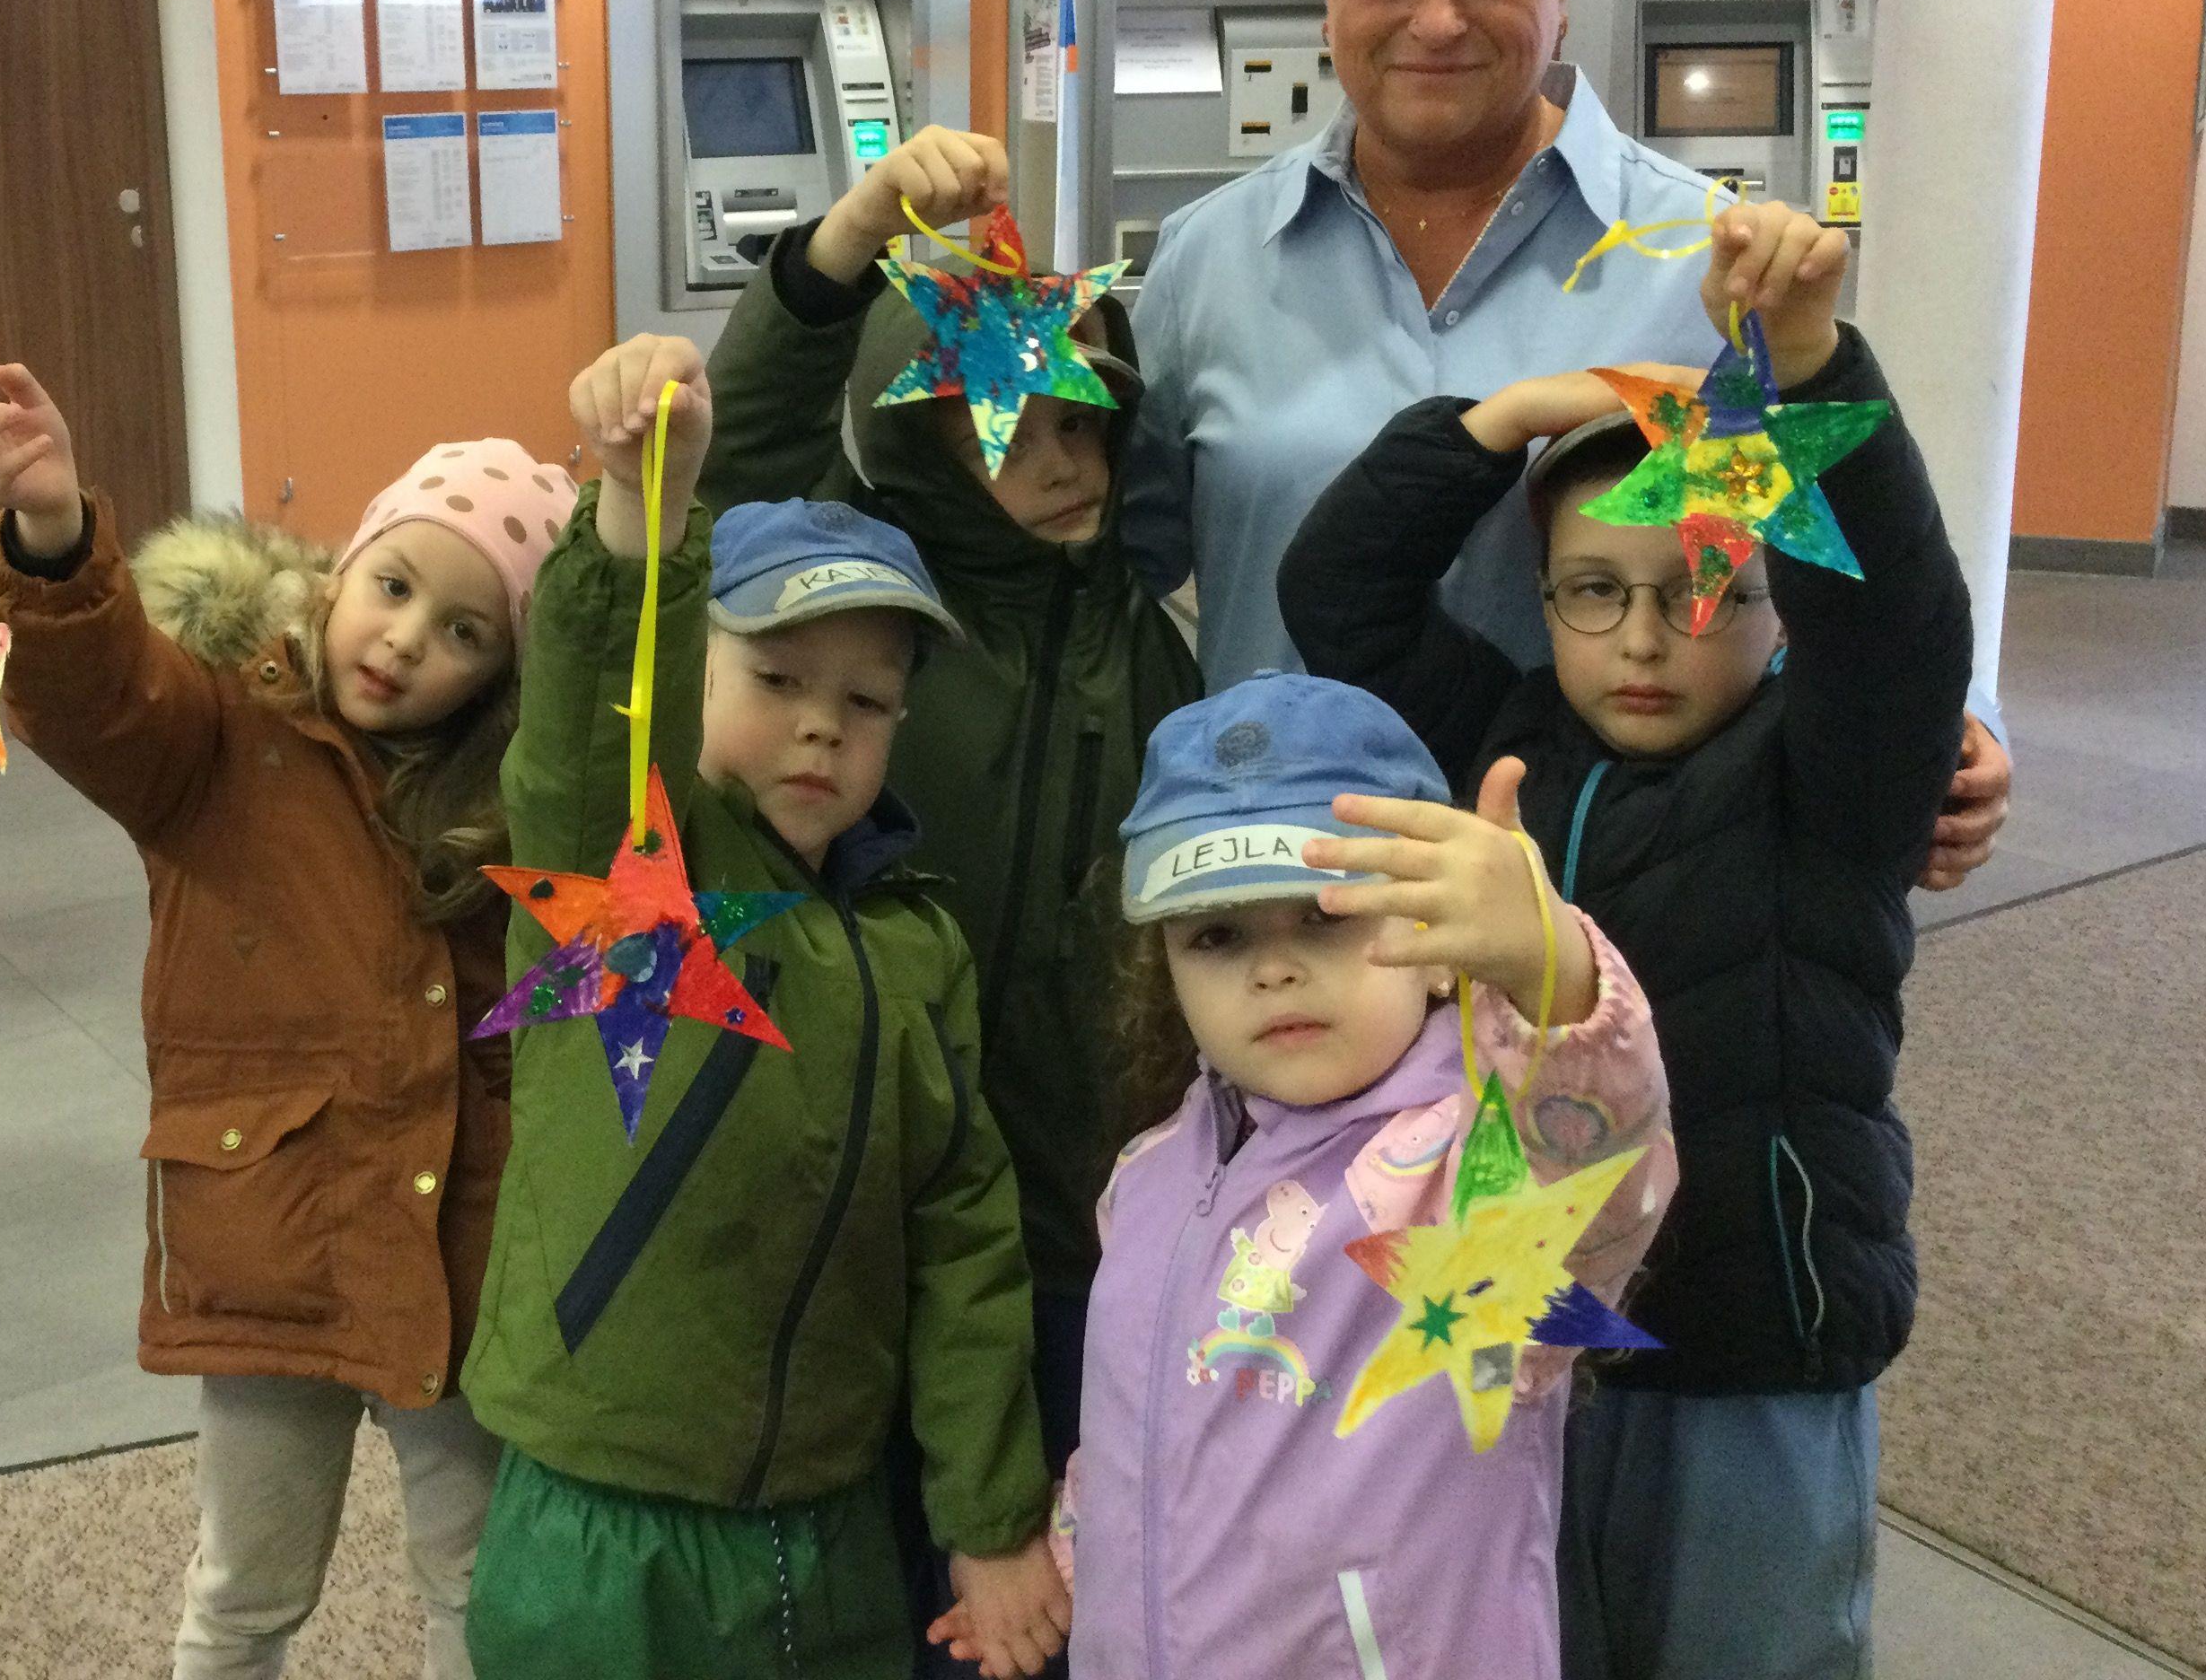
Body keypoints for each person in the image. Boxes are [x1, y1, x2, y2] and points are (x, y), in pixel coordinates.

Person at [1118, 0, 2010, 892]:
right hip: (1288, 894)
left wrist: (1964, 716)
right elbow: (1105, 572)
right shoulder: (1206, 263)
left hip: (1606, 909)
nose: (1439, 18)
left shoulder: (1709, 263)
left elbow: (1847, 544)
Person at [1276, 202, 1970, 1678]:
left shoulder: (1831, 780)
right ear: (1547, 601)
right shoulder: (1502, 739)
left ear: (1776, 603)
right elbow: (1333, 588)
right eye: (1596, 591)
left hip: (1748, 1342)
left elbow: (1897, 622)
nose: (1643, 638)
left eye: (1702, 586)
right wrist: (1503, 422)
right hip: (1523, 1338)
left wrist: (1805, 365)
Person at [0, 357, 573, 1680]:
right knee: (246, 1585)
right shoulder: (216, 731)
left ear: (503, 671)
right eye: (394, 587)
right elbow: (96, 696)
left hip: (454, 1243)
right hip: (271, 1233)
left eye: (465, 631)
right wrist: (50, 534)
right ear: (340, 572)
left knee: (479, 1578)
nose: (406, 640)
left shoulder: (506, 800)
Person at [461, 336, 1067, 1680]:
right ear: (693, 679)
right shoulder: (626, 867)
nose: (822, 728)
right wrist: (644, 516)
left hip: (832, 1522)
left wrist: (989, 1517)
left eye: (867, 700)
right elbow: (590, 723)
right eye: (777, 679)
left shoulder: (918, 948)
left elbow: (963, 1243)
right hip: (603, 1523)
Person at [696, 123, 1201, 1490]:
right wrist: (847, 242)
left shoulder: (1147, 633)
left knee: (1061, 1508)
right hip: (870, 1157)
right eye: (1007, 431)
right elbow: (741, 459)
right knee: (891, 1508)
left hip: (1078, 1183)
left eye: (1080, 425)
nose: (1060, 463)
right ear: (921, 442)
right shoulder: (873, 591)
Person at [1054, 671, 1673, 1678]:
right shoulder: (1149, 1175)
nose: (1273, 968)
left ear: (1440, 951)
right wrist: (1079, 1555)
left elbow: (1600, 1165)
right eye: (1217, 934)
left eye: (1327, 914)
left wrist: (1551, 970)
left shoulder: (1472, 1174)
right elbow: (1142, 1414)